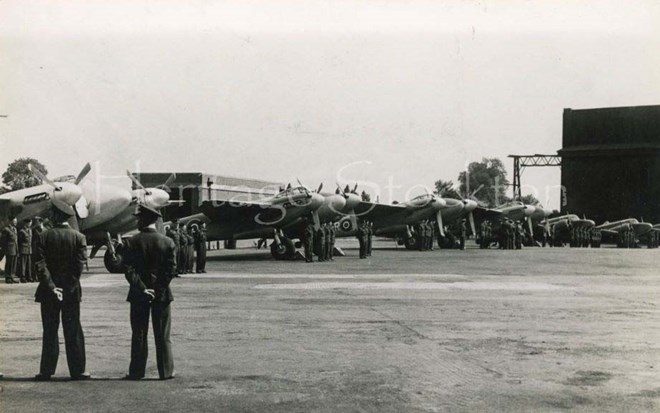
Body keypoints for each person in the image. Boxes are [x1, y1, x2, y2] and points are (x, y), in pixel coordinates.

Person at [34, 205, 90, 381]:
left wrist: (52, 287)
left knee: (50, 330)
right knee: (73, 330)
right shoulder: (79, 237)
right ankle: (78, 370)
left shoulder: (43, 237)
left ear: (55, 216)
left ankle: (46, 371)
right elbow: (78, 267)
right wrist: (66, 288)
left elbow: (40, 265)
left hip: (48, 292)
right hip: (71, 292)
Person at [121, 204, 177, 380]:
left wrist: (144, 289)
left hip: (138, 295)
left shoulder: (131, 241)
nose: (137, 221)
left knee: (139, 333)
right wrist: (157, 289)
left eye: (139, 218)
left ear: (144, 220)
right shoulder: (167, 242)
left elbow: (129, 270)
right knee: (162, 335)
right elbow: (170, 270)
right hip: (162, 295)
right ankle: (166, 371)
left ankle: (137, 372)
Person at [2, 217, 19, 283]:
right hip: (9, 249)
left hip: (15, 249)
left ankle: (12, 276)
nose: (15, 222)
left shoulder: (15, 229)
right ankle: (8, 277)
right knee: (9, 264)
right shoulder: (6, 230)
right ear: (10, 221)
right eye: (14, 221)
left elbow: (16, 240)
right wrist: (5, 249)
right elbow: (3, 241)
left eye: (16, 221)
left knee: (13, 264)